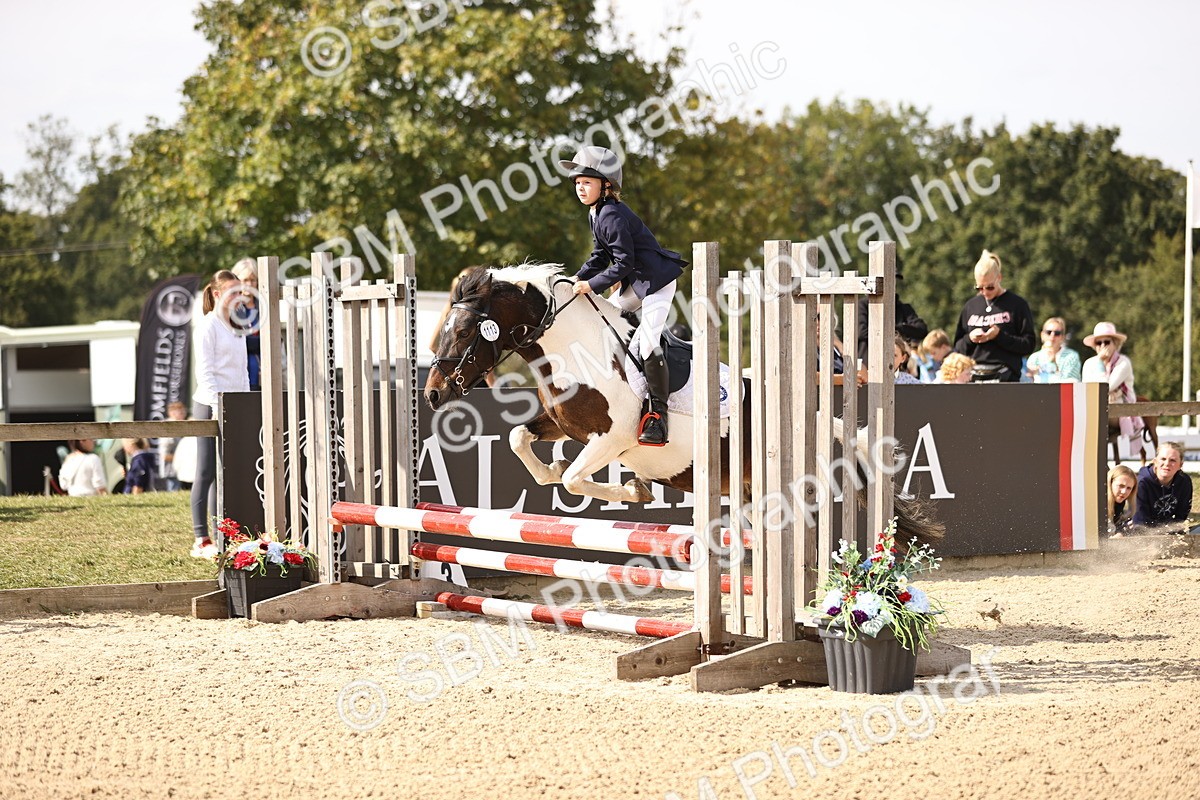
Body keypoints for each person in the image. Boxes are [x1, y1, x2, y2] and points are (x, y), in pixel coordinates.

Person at [560, 145, 687, 446]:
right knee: (607, 325)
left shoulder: (612, 215)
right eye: (577, 182)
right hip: (635, 283)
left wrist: (591, 285)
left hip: (656, 283)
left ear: (606, 185)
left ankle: (658, 417)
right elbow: (599, 256)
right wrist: (577, 277)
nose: (580, 187)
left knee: (647, 344)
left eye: (587, 182)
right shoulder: (596, 213)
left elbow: (623, 262)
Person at [191, 269, 250, 558]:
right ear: (216, 294)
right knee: (205, 471)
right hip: (209, 404)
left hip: (235, 404)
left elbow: (242, 370)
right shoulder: (207, 326)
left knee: (226, 473)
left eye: (240, 290)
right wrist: (218, 407)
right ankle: (201, 537)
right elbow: (206, 373)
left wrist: (247, 403)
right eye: (231, 290)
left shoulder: (237, 325)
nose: (238, 296)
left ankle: (221, 534)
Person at [952, 250, 1036, 382]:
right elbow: (957, 346)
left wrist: (999, 336)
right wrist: (970, 338)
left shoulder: (1017, 304)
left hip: (1005, 376)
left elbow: (1028, 345)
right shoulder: (970, 306)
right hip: (974, 375)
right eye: (979, 288)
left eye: (990, 287)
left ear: (999, 278)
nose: (985, 292)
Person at [1081, 321, 1143, 444]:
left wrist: (1099, 364)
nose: (1103, 346)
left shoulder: (1123, 362)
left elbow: (1106, 387)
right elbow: (1086, 389)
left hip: (1120, 409)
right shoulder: (1089, 363)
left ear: (1115, 344)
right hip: (1095, 407)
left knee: (1098, 418)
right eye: (1099, 342)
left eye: (1107, 342)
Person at [856, 257, 928, 363]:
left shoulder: (903, 308)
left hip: (899, 366)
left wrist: (897, 329)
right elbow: (862, 332)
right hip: (869, 363)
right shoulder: (863, 305)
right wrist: (897, 332)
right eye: (886, 280)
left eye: (893, 280)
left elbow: (922, 330)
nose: (891, 284)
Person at [1132, 442, 1193, 530]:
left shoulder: (1184, 482)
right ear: (1155, 462)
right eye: (1163, 459)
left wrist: (1172, 531)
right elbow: (1140, 520)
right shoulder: (1142, 483)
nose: (1167, 463)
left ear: (1180, 465)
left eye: (1172, 460)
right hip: (1141, 532)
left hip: (1170, 531)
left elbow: (1181, 515)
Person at [232, 258, 261, 391]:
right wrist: (261, 343)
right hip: (238, 375)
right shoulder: (232, 307)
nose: (249, 284)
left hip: (263, 374)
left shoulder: (265, 305)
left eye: (252, 279)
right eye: (245, 280)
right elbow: (236, 341)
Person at [1025, 316, 1081, 383]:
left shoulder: (1071, 356)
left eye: (1057, 333)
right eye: (1048, 332)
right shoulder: (1034, 358)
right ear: (1042, 335)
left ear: (1063, 337)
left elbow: (1071, 382)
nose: (1052, 335)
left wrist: (1053, 363)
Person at [158, 401, 187, 491]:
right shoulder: (169, 428)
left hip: (179, 468)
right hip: (171, 469)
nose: (183, 415)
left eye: (184, 412)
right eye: (181, 412)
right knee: (174, 490)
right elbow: (165, 455)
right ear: (172, 413)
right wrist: (183, 459)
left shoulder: (180, 426)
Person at [1106, 465, 1138, 536]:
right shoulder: (1100, 505)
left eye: (1129, 488)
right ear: (1110, 483)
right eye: (1121, 486)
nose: (1124, 491)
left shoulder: (1121, 504)